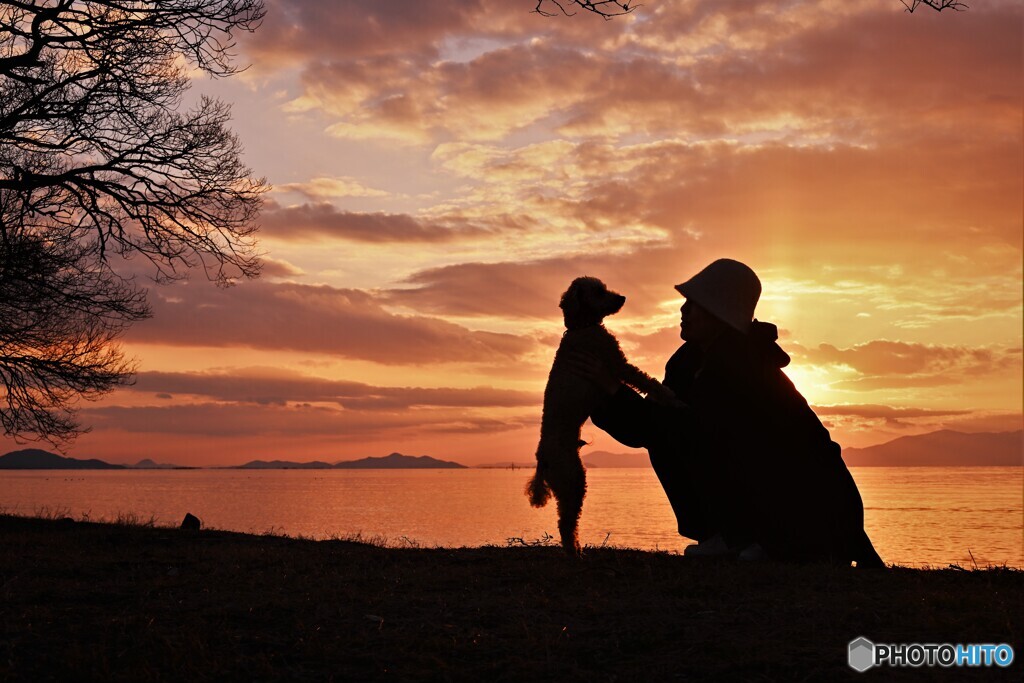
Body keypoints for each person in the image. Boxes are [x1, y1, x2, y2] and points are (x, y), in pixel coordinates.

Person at [574, 259, 884, 567]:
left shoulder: (739, 365)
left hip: (814, 510)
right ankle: (725, 536)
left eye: (693, 304)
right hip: (797, 505)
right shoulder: (690, 361)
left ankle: (768, 541)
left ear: (718, 312)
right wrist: (603, 393)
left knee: (678, 434)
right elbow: (650, 428)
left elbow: (681, 430)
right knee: (669, 436)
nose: (683, 311)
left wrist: (613, 390)